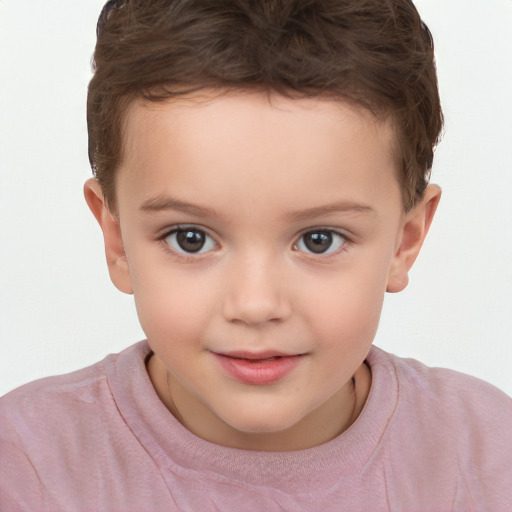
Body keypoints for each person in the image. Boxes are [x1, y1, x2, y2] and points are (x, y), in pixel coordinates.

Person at [1, 0, 510, 510]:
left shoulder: (486, 455)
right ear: (117, 239)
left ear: (405, 239)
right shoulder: (26, 465)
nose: (255, 304)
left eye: (319, 240)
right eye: (190, 238)